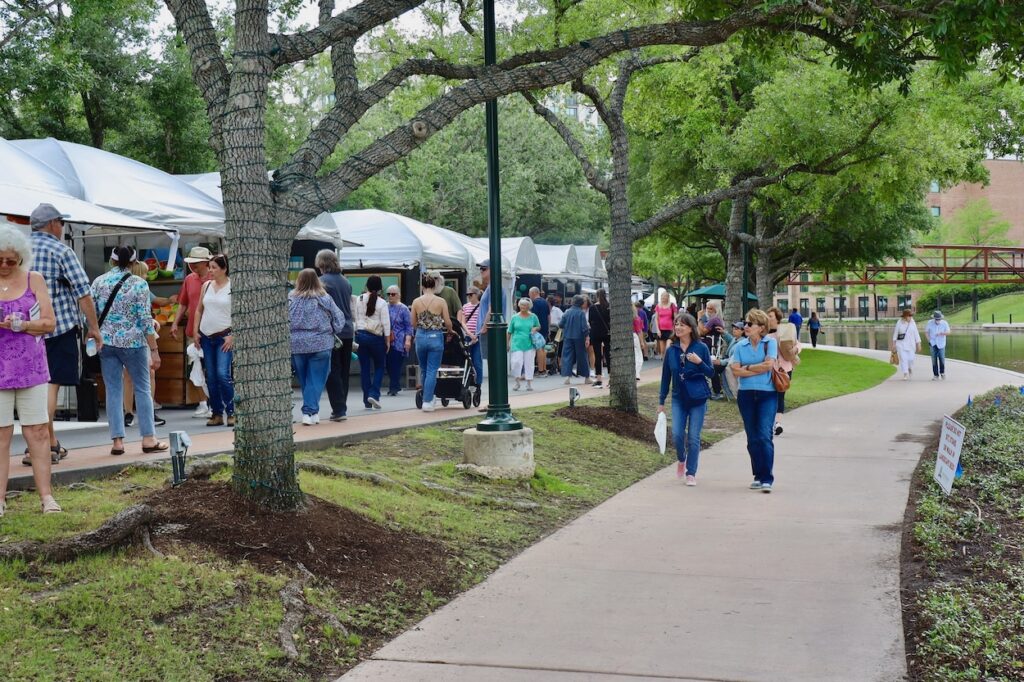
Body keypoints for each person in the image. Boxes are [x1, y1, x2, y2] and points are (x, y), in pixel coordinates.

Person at [28, 203, 103, 466]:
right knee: (50, 385)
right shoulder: (61, 250)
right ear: (51, 223)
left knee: (34, 388)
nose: (62, 227)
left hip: (23, 331)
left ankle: (48, 443)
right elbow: (84, 292)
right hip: (57, 328)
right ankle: (41, 448)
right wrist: (93, 327)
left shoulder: (18, 249)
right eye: (61, 222)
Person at [0, 225, 61, 514]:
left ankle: (47, 497)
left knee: (38, 432)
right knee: (0, 436)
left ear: (21, 259)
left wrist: (23, 324)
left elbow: (49, 323)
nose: (4, 265)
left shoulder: (34, 280)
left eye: (10, 260)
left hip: (31, 368)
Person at [91, 246, 168, 456]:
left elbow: (90, 313)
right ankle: (149, 438)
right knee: (142, 388)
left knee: (113, 390)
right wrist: (154, 349)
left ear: (111, 261)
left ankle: (117, 442)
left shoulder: (99, 282)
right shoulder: (139, 284)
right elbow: (145, 320)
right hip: (134, 343)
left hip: (106, 343)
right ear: (134, 263)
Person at [658, 312, 714, 486]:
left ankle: (691, 473)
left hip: (697, 398)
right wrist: (661, 401)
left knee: (694, 438)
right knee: (676, 434)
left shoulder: (701, 348)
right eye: (676, 324)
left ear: (691, 328)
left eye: (682, 324)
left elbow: (711, 373)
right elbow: (666, 377)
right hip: (678, 398)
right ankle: (681, 459)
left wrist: (699, 362)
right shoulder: (671, 350)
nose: (678, 327)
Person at [288, 269, 346, 426]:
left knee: (305, 379)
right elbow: (339, 320)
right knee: (316, 379)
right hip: (321, 343)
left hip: (297, 344)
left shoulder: (291, 299)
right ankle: (309, 411)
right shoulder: (324, 298)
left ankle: (312, 412)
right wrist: (333, 330)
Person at [730, 309, 779, 492]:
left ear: (761, 327)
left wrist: (747, 368)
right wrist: (755, 368)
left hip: (767, 394)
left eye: (750, 324)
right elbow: (735, 370)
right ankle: (758, 475)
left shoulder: (770, 343)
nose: (746, 327)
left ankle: (767, 477)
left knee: (764, 435)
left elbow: (769, 365)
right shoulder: (740, 346)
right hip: (746, 394)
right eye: (746, 323)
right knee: (752, 438)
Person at [122, 259, 167, 428]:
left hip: (142, 334)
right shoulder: (133, 288)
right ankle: (128, 411)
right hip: (130, 334)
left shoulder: (144, 288)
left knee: (149, 373)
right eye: (145, 272)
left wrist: (152, 323)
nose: (147, 276)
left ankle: (148, 410)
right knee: (129, 376)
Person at [170, 246, 213, 418]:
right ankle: (203, 403)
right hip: (192, 332)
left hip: (212, 331)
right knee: (194, 367)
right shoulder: (189, 279)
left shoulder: (215, 278)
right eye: (191, 263)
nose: (192, 266)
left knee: (212, 369)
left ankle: (214, 403)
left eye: (196, 263)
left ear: (205, 262)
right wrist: (175, 322)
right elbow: (183, 303)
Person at [192, 254, 234, 426]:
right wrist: (195, 331)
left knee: (223, 374)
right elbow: (199, 310)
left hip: (224, 335)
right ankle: (216, 413)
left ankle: (232, 411)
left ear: (224, 269)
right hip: (207, 336)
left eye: (214, 267)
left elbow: (240, 313)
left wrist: (234, 335)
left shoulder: (232, 286)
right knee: (211, 377)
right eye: (209, 267)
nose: (210, 271)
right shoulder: (207, 285)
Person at [316, 250, 355, 422]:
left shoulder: (322, 282)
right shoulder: (345, 281)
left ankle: (338, 408)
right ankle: (342, 406)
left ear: (321, 263)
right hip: (347, 330)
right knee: (344, 370)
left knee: (332, 369)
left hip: (331, 331)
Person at [411, 271, 452, 411]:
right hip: (436, 336)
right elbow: (447, 322)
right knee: (432, 370)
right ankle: (427, 401)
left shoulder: (416, 302)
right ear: (435, 286)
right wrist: (450, 331)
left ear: (423, 286)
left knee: (423, 369)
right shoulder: (441, 302)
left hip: (421, 336)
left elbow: (413, 323)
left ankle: (426, 397)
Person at [353, 275, 391, 409]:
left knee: (365, 368)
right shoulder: (382, 303)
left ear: (366, 286)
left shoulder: (359, 299)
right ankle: (374, 394)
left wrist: (357, 333)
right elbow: (386, 323)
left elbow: (357, 319)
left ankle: (366, 400)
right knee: (380, 366)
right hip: (376, 338)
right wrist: (387, 341)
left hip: (361, 336)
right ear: (380, 288)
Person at [767, 307, 800, 436]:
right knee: (770, 395)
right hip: (769, 369)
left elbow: (797, 344)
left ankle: (778, 423)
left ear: (777, 318)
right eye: (768, 316)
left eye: (771, 316)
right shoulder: (763, 332)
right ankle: (770, 423)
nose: (768, 318)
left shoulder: (785, 330)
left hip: (785, 369)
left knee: (780, 395)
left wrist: (795, 350)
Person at [508, 297, 541, 392]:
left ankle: (529, 383)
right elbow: (509, 331)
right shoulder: (514, 317)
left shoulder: (533, 316)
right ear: (519, 305)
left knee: (529, 364)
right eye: (522, 305)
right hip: (517, 343)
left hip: (529, 343)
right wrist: (507, 343)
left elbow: (538, 326)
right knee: (516, 362)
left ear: (529, 307)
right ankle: (517, 382)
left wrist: (535, 328)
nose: (523, 307)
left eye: (526, 305)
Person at [386, 285, 412, 395]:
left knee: (396, 364)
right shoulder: (385, 307)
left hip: (399, 341)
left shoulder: (404, 309)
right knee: (388, 364)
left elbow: (409, 326)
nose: (390, 296)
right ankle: (395, 385)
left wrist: (408, 340)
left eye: (393, 294)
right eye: (388, 294)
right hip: (387, 340)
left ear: (398, 295)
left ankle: (393, 387)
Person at [559, 295, 591, 385]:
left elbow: (560, 324)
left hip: (568, 337)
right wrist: (587, 337)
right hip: (579, 337)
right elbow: (584, 327)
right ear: (581, 303)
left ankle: (567, 377)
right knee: (582, 357)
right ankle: (586, 377)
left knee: (567, 356)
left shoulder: (567, 312)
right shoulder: (581, 313)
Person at [701, 300, 726, 399]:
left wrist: (700, 319)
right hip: (710, 348)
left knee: (710, 367)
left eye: (711, 308)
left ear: (716, 309)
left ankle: (716, 391)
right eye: (707, 308)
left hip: (710, 350)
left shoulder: (714, 320)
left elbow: (701, 332)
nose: (708, 310)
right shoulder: (716, 319)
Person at [462, 287, 484, 388]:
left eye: (470, 295)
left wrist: (477, 335)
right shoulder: (465, 307)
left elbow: (484, 322)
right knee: (466, 361)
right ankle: (467, 382)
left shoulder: (482, 307)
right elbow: (463, 322)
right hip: (468, 336)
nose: (469, 297)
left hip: (478, 337)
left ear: (476, 295)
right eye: (468, 295)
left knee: (477, 361)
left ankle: (477, 383)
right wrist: (470, 334)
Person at [589, 289, 611, 388]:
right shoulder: (609, 307)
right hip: (607, 333)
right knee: (609, 355)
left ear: (597, 296)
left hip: (596, 333)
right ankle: (611, 378)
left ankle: (599, 379)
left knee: (598, 356)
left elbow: (590, 321)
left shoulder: (593, 307)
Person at [891, 308, 921, 381]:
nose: (910, 317)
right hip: (901, 344)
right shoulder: (899, 322)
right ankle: (905, 374)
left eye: (911, 316)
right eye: (909, 316)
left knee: (911, 359)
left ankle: (909, 367)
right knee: (904, 359)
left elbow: (916, 334)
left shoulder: (913, 323)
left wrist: (918, 344)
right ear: (905, 316)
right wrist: (894, 344)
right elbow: (895, 333)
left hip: (911, 344)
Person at [528, 287, 550, 376]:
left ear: (533, 293)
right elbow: (549, 316)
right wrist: (548, 327)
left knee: (539, 349)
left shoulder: (535, 303)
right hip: (544, 327)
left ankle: (540, 370)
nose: (529, 295)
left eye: (529, 293)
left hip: (537, 328)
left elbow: (532, 317)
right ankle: (544, 369)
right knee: (543, 348)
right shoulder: (545, 302)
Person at [925, 310, 950, 380]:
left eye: (939, 319)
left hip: (941, 343)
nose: (937, 320)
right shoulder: (929, 323)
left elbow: (948, 332)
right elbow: (926, 332)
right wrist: (929, 341)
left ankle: (942, 372)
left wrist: (942, 333)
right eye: (936, 319)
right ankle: (935, 375)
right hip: (933, 343)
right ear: (934, 318)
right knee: (934, 359)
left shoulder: (944, 323)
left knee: (942, 358)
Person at [653, 291, 677, 359]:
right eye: (662, 296)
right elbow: (656, 319)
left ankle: (668, 357)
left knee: (668, 345)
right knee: (662, 348)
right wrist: (657, 329)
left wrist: (674, 327)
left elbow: (676, 318)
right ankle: (663, 358)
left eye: (665, 296)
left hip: (670, 328)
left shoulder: (672, 305)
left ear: (668, 297)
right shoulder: (658, 306)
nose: (664, 298)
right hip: (661, 329)